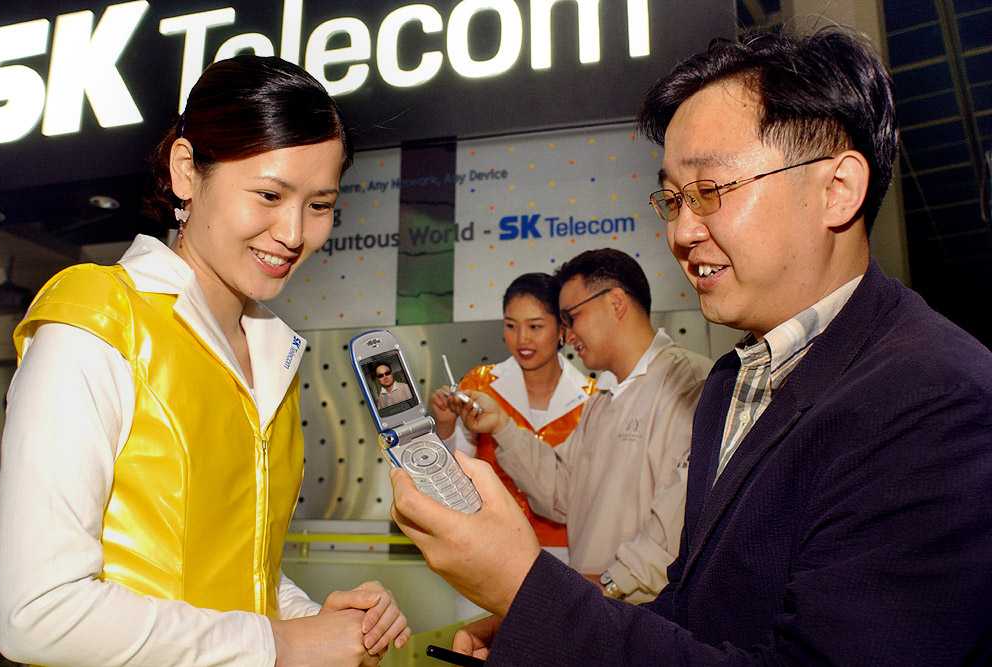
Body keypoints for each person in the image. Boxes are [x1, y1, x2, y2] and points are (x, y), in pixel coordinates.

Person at [390, 26, 992, 665]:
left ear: (837, 189)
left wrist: (526, 590)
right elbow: (698, 609)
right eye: (672, 199)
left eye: (710, 191)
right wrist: (541, 632)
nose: (680, 231)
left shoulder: (938, 401)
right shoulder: (733, 383)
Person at [0, 56, 409, 667]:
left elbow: (230, 571)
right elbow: (38, 613)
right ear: (187, 172)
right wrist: (282, 644)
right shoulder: (97, 322)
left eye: (319, 205)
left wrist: (313, 619)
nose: (294, 233)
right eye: (270, 194)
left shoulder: (271, 354)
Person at [447, 250, 710, 603]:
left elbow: (681, 521)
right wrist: (502, 428)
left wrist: (612, 585)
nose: (567, 335)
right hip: (598, 608)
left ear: (616, 303)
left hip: (645, 615)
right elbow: (562, 493)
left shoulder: (689, 384)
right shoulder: (603, 398)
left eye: (571, 317)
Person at [431, 272, 598, 563]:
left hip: (565, 551)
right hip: (489, 544)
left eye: (535, 326)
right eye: (511, 326)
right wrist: (445, 425)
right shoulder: (479, 385)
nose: (522, 339)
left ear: (561, 329)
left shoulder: (592, 399)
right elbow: (456, 473)